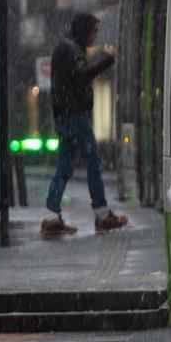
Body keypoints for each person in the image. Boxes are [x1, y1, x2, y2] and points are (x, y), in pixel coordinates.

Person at [40, 13, 128, 237]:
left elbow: (77, 74)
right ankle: (102, 214)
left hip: (64, 115)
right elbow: (82, 74)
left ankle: (52, 215)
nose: (95, 36)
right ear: (84, 29)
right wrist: (107, 58)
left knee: (65, 166)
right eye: (94, 31)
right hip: (75, 115)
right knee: (93, 161)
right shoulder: (71, 49)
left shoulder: (67, 47)